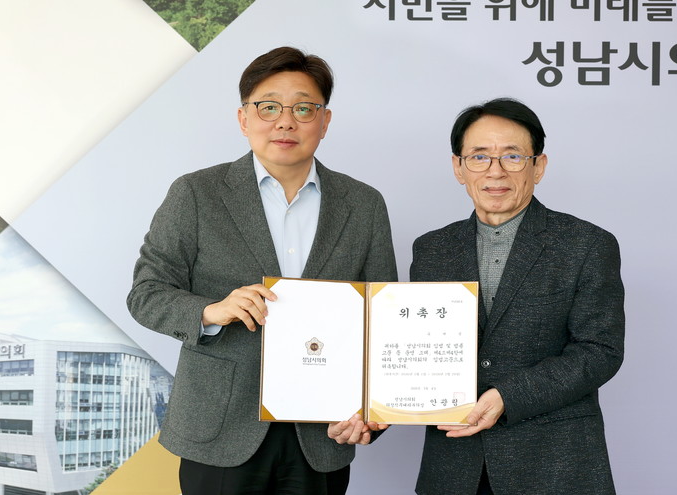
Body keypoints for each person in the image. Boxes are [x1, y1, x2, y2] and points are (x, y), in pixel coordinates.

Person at [127, 46, 397, 495]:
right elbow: (146, 293)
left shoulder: (364, 204)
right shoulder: (196, 193)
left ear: (325, 121)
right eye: (268, 107)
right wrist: (211, 311)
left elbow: (384, 319)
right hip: (220, 428)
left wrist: (373, 410)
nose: (285, 122)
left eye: (303, 108)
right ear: (243, 118)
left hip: (322, 432)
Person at [410, 98, 625, 494]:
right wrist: (377, 408)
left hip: (554, 466)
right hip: (453, 468)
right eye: (479, 157)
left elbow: (600, 351)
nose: (495, 171)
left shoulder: (587, 244)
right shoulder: (431, 250)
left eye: (512, 156)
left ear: (538, 166)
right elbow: (415, 349)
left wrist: (507, 397)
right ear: (458, 167)